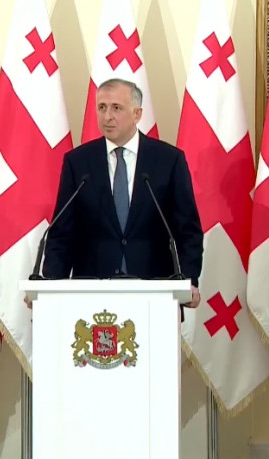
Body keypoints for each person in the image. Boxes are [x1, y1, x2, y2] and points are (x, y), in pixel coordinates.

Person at [42, 78, 203, 307]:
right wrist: (49, 288)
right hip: (90, 296)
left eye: (116, 108)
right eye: (102, 107)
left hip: (155, 295)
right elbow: (61, 235)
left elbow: (188, 231)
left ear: (137, 114)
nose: (107, 116)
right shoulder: (78, 162)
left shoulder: (168, 160)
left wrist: (188, 282)